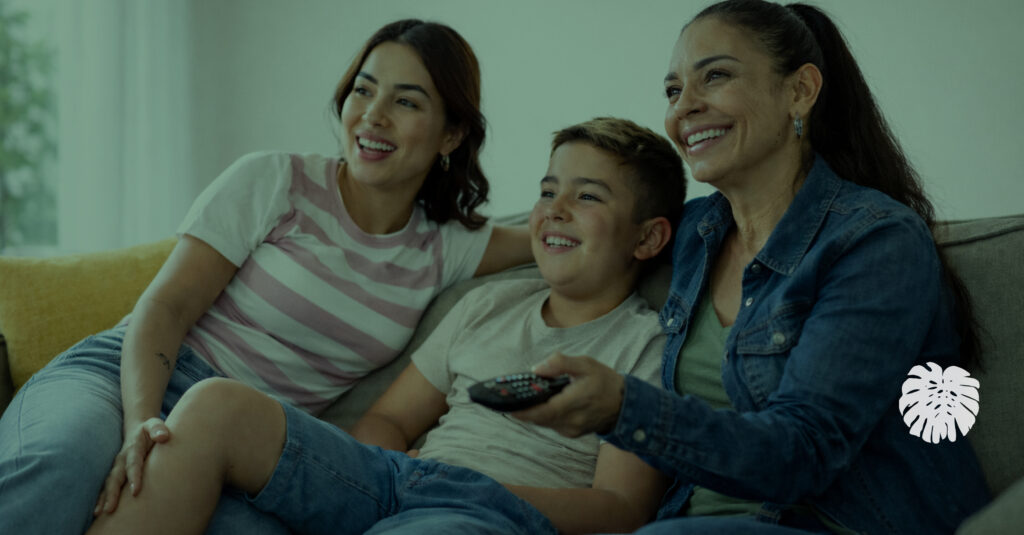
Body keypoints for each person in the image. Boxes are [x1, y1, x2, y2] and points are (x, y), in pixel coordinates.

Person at [0, 19, 533, 534]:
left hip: (241, 442)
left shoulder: (444, 247)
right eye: (363, 91)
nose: (373, 115)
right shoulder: (277, 181)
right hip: (129, 377)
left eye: (406, 101)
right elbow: (165, 308)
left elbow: (562, 230)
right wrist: (142, 423)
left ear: (452, 134)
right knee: (62, 465)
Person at [515, 1, 990, 534]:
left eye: (714, 76)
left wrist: (624, 409)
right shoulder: (697, 232)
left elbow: (803, 453)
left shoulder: (875, 241)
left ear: (800, 91)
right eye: (673, 91)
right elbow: (590, 227)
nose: (684, 108)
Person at [84, 117, 687, 535]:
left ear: (649, 236)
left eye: (587, 198)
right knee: (215, 405)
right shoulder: (487, 306)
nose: (553, 209)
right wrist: (391, 471)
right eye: (548, 190)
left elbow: (619, 509)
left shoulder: (645, 347)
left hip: (493, 509)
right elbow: (390, 419)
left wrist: (461, 487)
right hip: (395, 477)